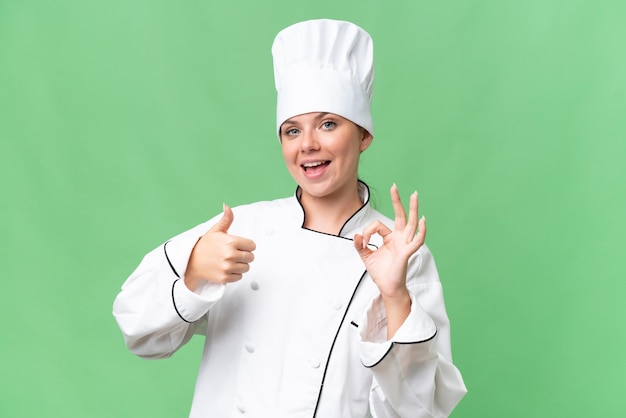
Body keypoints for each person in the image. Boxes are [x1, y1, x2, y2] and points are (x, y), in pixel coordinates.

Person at [113, 19, 467, 417]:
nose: (308, 145)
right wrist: (194, 273)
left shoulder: (400, 253)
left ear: (364, 135)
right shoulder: (242, 230)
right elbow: (139, 332)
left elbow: (421, 409)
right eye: (292, 131)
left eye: (328, 124)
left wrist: (394, 297)